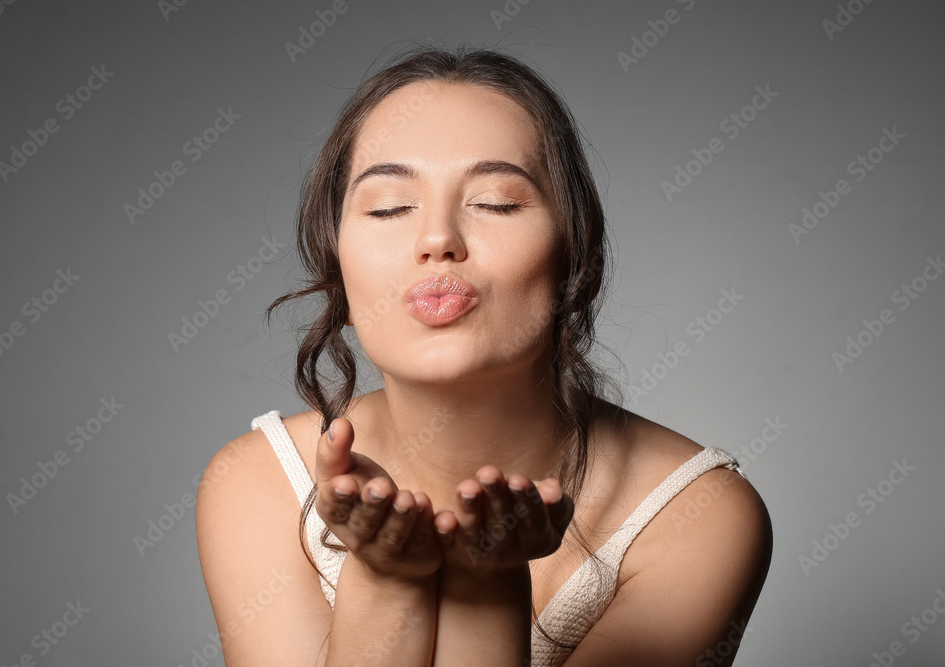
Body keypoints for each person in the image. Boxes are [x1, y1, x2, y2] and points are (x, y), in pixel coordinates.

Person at [195, 45, 772, 666]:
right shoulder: (259, 483)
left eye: (496, 202)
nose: (438, 238)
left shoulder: (697, 513)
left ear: (573, 256)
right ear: (336, 263)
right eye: (389, 207)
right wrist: (387, 577)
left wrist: (489, 582)